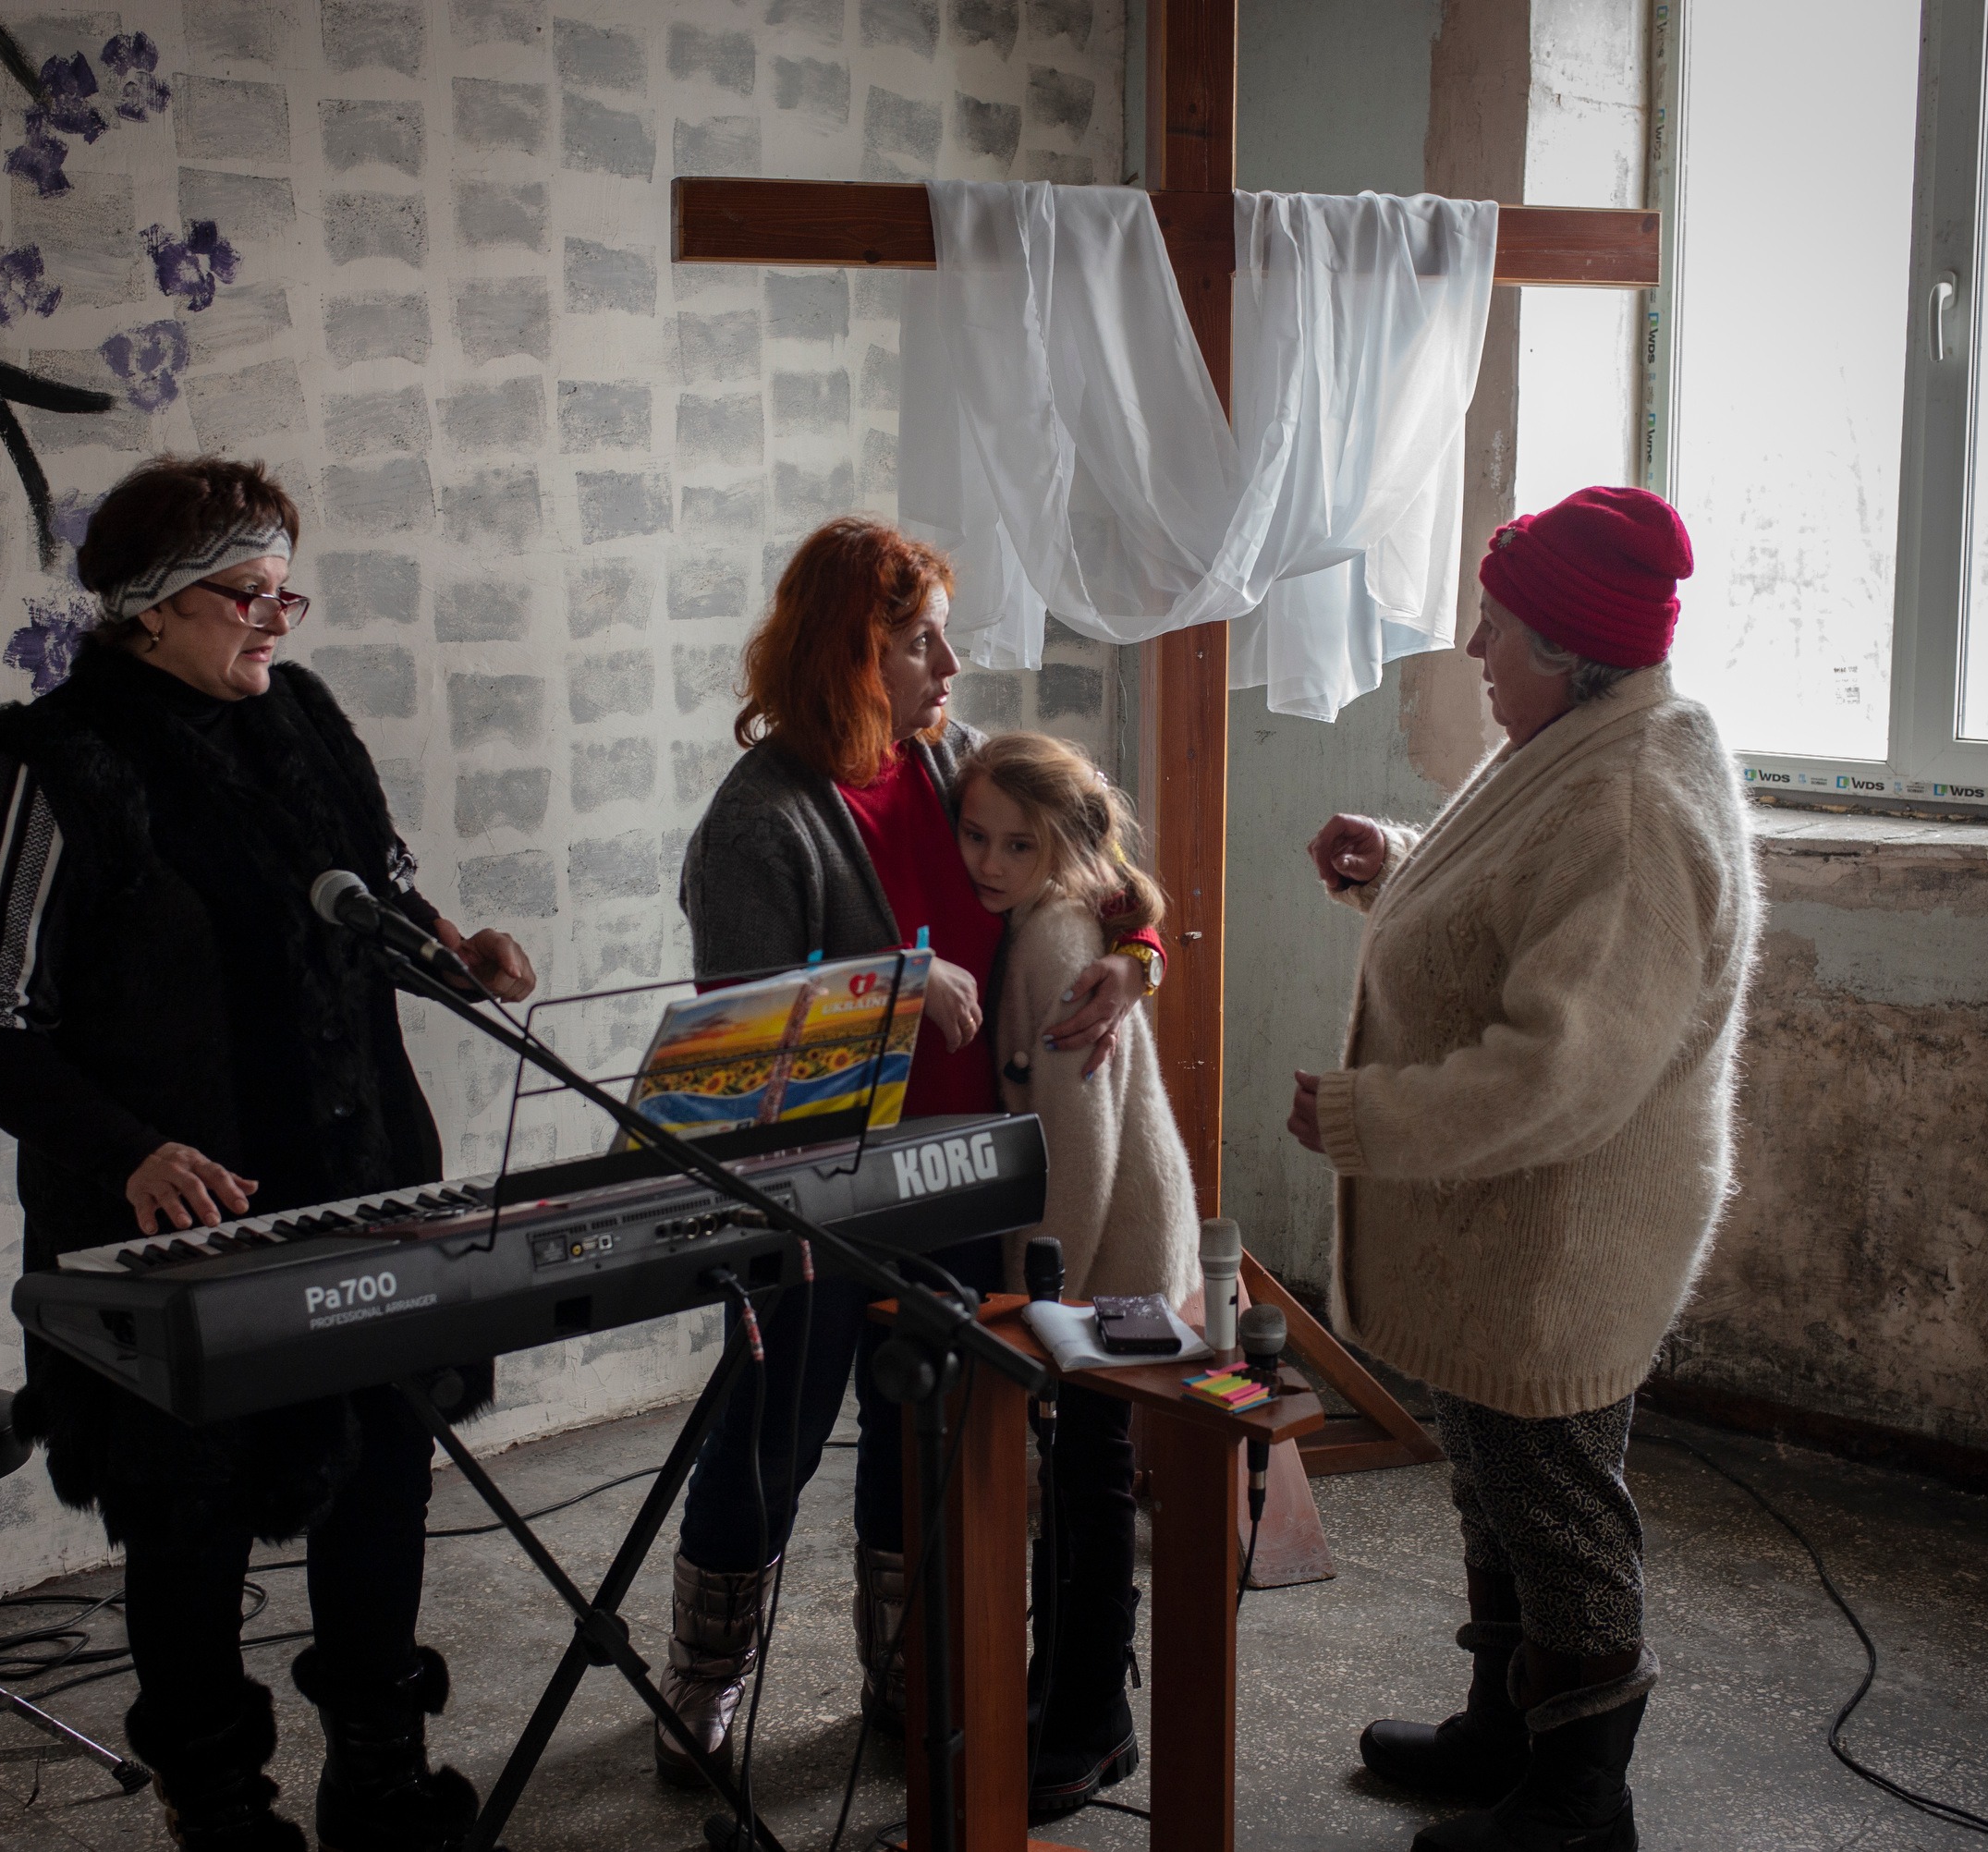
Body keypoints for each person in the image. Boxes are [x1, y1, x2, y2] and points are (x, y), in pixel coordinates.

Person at [0, 456, 536, 1852]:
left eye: (284, 593)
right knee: (186, 1519)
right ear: (149, 606)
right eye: (247, 594)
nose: (276, 620)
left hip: (360, 1184)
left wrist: (456, 955)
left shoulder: (303, 719)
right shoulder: (43, 765)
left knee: (382, 1473)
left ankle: (380, 1781)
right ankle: (221, 1811)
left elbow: (372, 899)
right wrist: (130, 1150)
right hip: (167, 1222)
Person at [655, 517, 1167, 1785]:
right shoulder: (760, 821)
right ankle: (703, 1680)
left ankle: (907, 1671)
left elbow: (1103, 873)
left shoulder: (950, 761)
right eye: (919, 642)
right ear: (851, 654)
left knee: (922, 1433)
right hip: (817, 1194)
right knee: (770, 1438)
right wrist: (894, 982)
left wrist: (1136, 960)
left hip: (964, 1178)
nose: (950, 663)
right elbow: (739, 1045)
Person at [1287, 486, 1756, 1852]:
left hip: (1562, 1231)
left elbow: (1565, 1066)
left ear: (1569, 649)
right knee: (1495, 1477)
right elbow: (1520, 904)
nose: (1475, 650)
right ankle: (1509, 1730)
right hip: (1511, 1219)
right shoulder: (1586, 738)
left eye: (1496, 627)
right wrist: (1398, 866)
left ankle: (1578, 1803)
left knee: (1556, 1509)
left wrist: (1374, 1119)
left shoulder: (1631, 799)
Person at [953, 732, 1201, 1820]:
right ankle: (1068, 1690)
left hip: (1100, 1259)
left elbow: (1079, 1147)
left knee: (1089, 1482)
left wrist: (1037, 1303)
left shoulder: (1054, 938)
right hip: (1106, 1251)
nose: (989, 862)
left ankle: (1090, 1715)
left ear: (1059, 846)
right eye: (976, 836)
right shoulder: (1054, 915)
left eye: (1018, 844)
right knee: (1076, 1480)